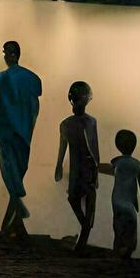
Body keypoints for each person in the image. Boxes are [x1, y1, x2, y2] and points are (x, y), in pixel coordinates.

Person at [0, 40, 41, 241]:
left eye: (6, 53)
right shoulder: (33, 79)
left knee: (11, 178)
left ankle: (9, 224)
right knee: (17, 176)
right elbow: (34, 105)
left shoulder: (1, 79)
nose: (4, 56)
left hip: (6, 133)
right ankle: (14, 224)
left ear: (11, 55)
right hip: (25, 136)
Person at [54, 80, 99, 253]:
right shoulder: (66, 124)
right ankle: (85, 231)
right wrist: (58, 166)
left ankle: (82, 241)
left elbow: (95, 148)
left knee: (86, 202)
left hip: (86, 168)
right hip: (77, 168)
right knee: (74, 199)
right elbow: (62, 147)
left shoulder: (90, 122)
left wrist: (95, 172)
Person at [100, 129, 140, 259]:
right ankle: (126, 254)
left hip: (116, 201)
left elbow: (108, 169)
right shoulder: (138, 165)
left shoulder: (117, 162)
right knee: (131, 234)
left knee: (118, 230)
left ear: (118, 145)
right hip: (130, 204)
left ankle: (117, 254)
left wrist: (95, 166)